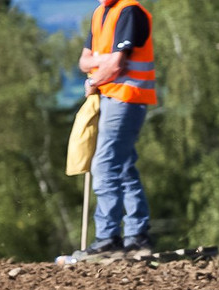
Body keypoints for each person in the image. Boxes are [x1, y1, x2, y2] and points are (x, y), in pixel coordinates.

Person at [77, 0, 157, 258]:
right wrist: (103, 60)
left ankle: (108, 236)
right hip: (111, 96)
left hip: (126, 97)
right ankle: (137, 236)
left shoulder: (129, 11)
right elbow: (84, 61)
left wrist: (94, 79)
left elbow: (117, 64)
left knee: (105, 165)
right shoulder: (100, 13)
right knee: (122, 166)